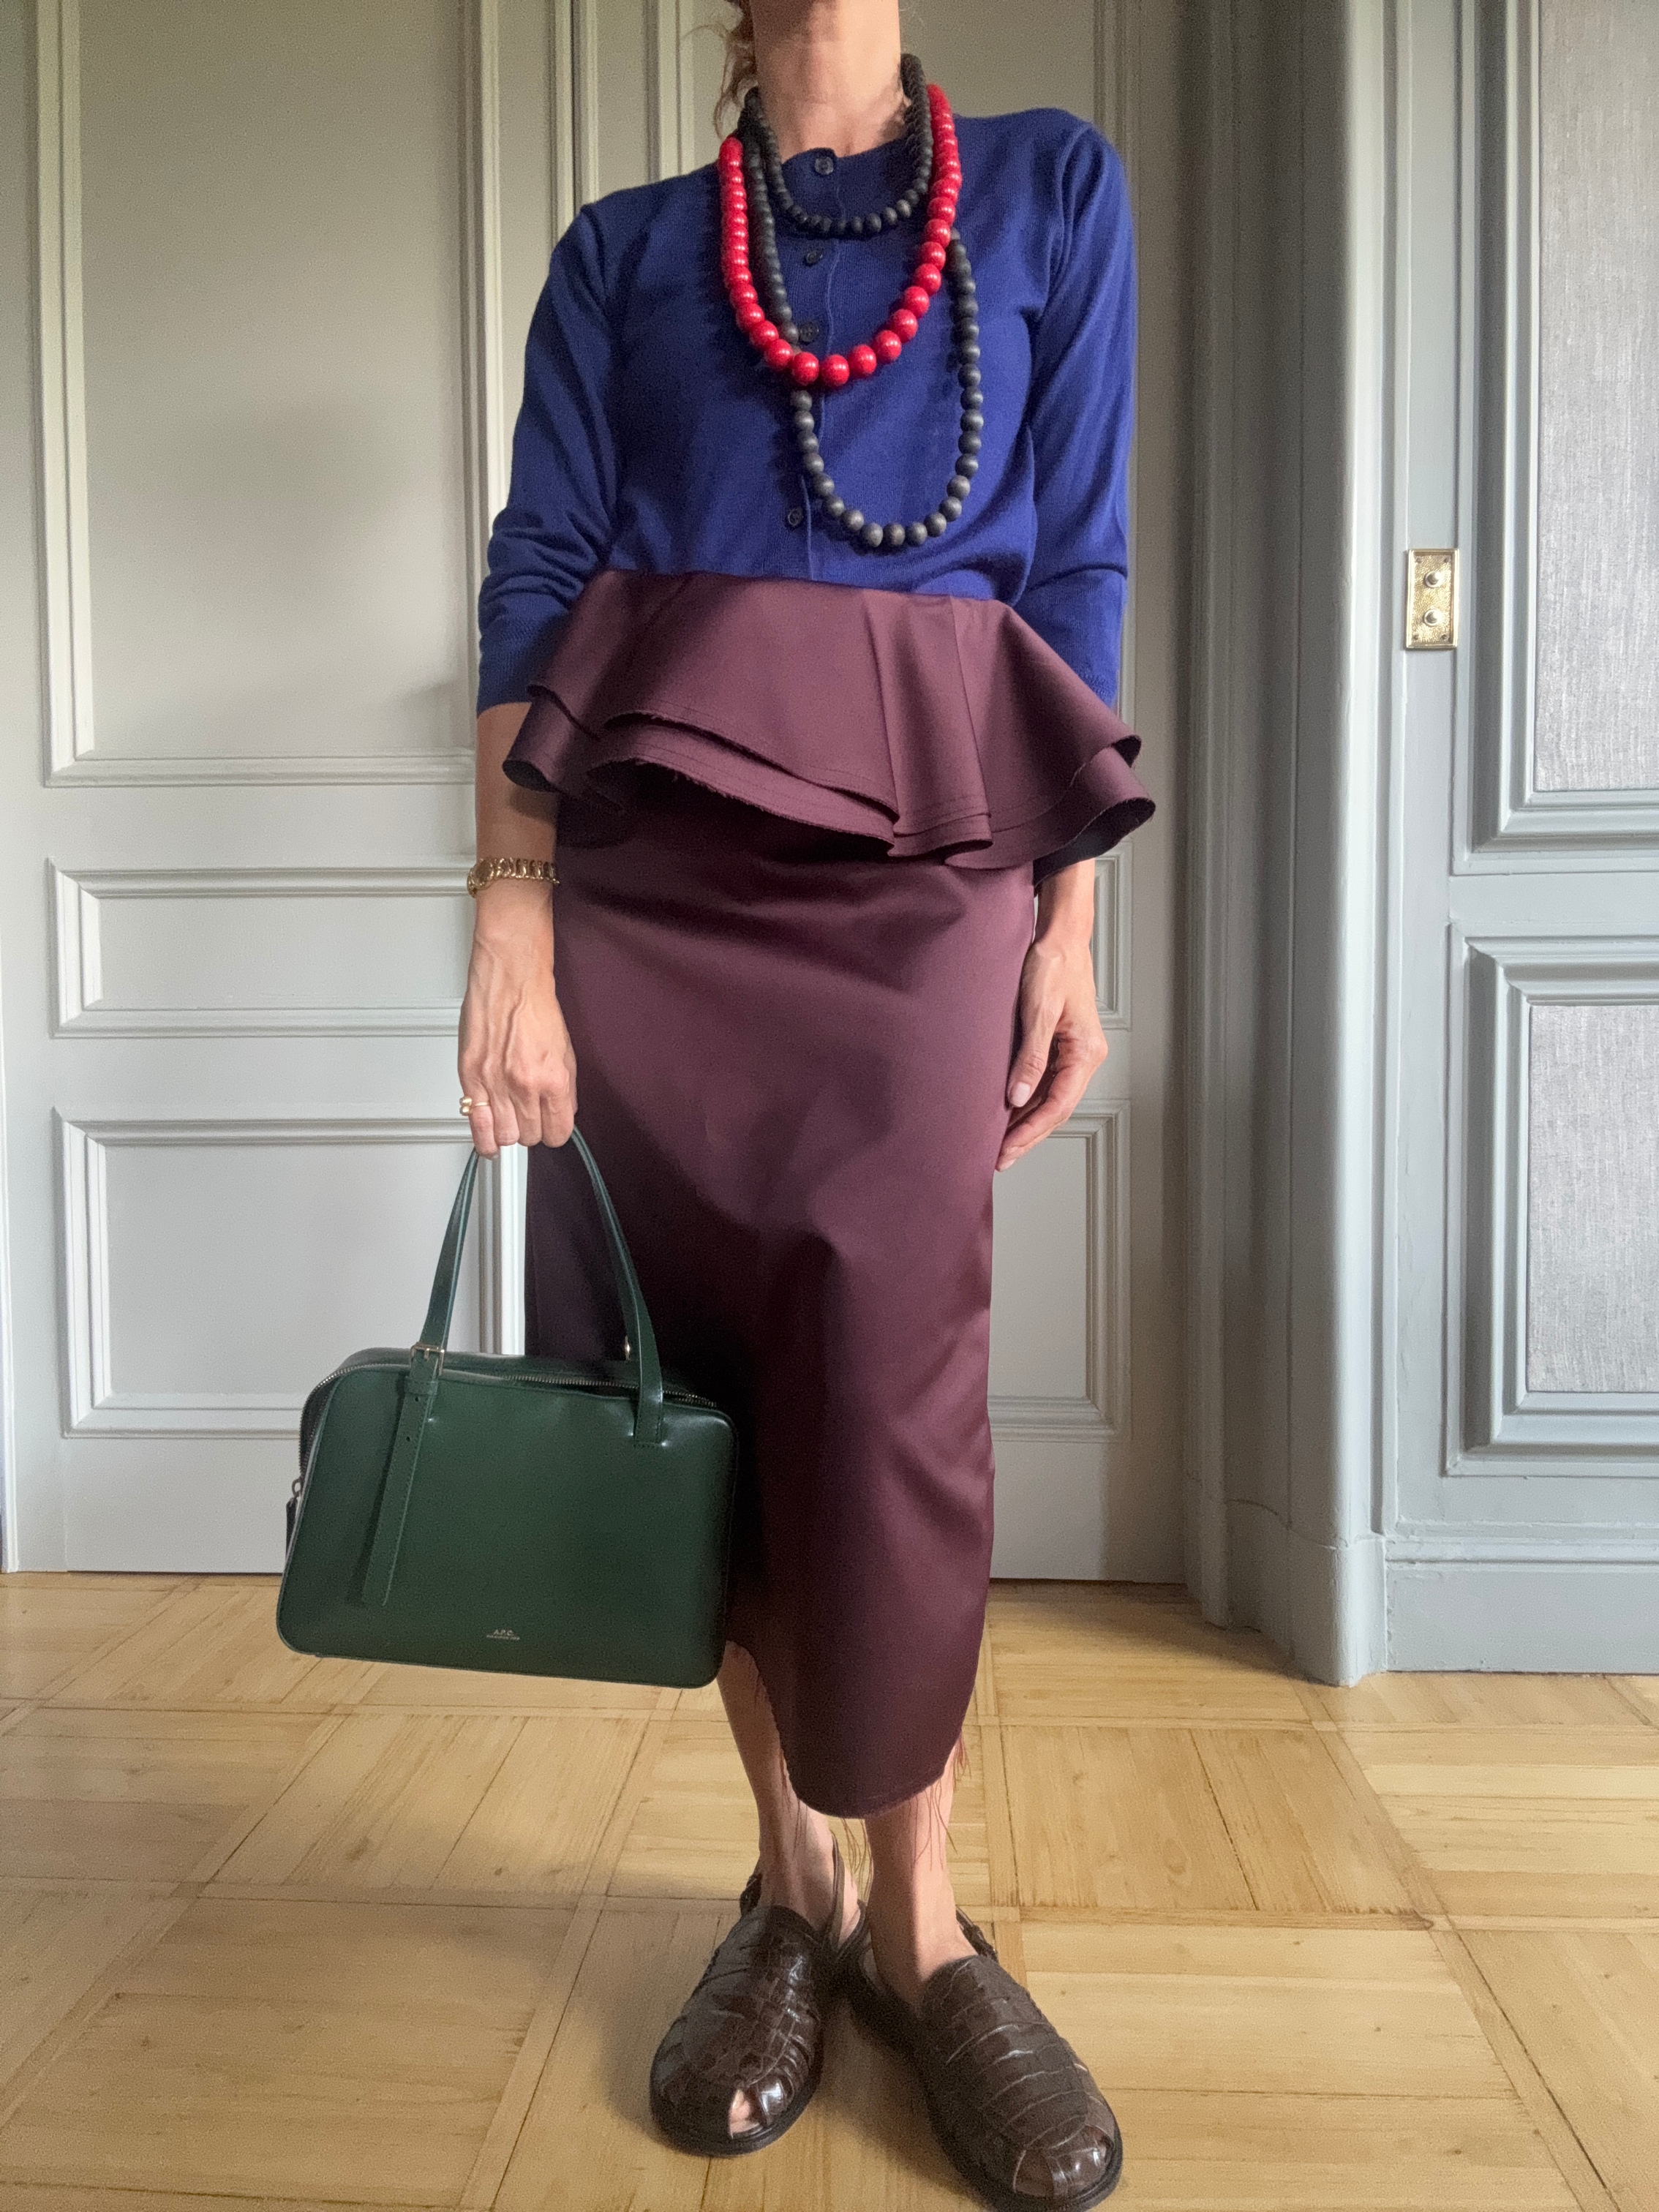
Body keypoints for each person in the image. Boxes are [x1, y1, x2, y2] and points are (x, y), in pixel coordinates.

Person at [457, 1, 1151, 2202]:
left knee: (891, 1390)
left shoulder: (1050, 190)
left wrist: (1068, 922)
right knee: (709, 1387)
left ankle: (924, 1936)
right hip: (650, 879)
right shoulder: (624, 250)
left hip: (934, 868)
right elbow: (539, 576)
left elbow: (1072, 565)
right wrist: (509, 921)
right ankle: (789, 1886)